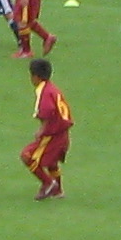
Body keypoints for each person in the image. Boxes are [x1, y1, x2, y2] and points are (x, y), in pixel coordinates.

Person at [22, 57, 72, 200]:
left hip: (53, 134)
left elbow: (47, 110)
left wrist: (42, 130)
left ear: (36, 76)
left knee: (26, 156)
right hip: (63, 133)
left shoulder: (43, 91)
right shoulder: (52, 88)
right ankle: (58, 191)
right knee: (52, 161)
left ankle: (49, 183)